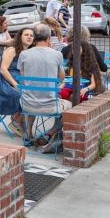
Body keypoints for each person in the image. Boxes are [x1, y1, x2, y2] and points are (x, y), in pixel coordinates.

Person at [17, 23, 68, 153]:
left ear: (34, 37)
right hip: (50, 106)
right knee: (71, 106)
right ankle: (50, 134)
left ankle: (28, 133)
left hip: (27, 104)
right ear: (49, 38)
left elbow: (23, 77)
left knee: (32, 94)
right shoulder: (57, 54)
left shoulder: (24, 54)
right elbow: (61, 77)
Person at [0, 27, 34, 136]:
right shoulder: (12, 49)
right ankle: (17, 121)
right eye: (26, 35)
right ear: (20, 37)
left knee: (36, 95)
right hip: (4, 82)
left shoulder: (30, 52)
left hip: (20, 81)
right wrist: (15, 84)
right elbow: (3, 70)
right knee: (27, 96)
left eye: (31, 35)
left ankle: (18, 120)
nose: (29, 37)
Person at [59, 26, 104, 101]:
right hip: (69, 86)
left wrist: (86, 89)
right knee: (61, 94)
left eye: (77, 49)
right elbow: (66, 79)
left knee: (75, 96)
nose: (74, 51)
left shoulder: (89, 65)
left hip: (82, 88)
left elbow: (93, 84)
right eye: (73, 49)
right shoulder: (70, 64)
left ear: (84, 50)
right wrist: (60, 87)